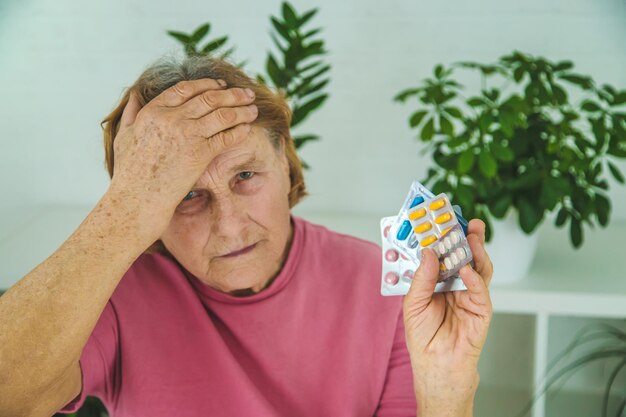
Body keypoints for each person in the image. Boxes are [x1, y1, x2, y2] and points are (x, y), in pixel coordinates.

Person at [0, 56, 493, 417]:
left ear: (284, 161)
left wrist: (446, 385)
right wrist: (125, 206)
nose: (231, 226)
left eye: (245, 176)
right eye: (186, 196)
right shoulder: (116, 294)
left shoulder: (388, 291)